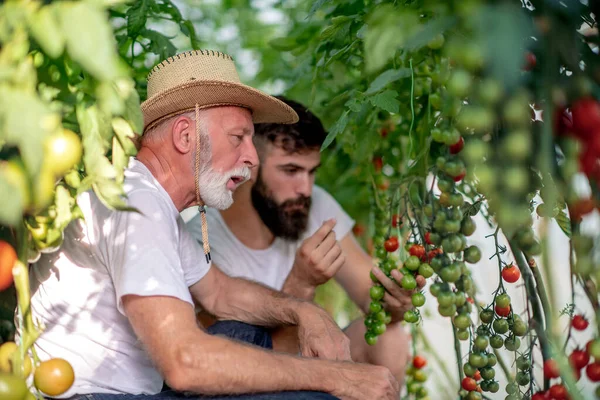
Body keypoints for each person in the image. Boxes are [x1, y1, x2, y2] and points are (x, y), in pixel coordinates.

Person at [27, 51, 400, 400]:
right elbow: (185, 362)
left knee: (244, 333)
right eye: (238, 138)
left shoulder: (152, 202)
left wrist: (306, 312)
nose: (251, 159)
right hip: (94, 395)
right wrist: (335, 377)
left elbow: (220, 293)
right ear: (186, 136)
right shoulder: (136, 203)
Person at [186, 96, 426, 386]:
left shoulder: (313, 206)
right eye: (290, 170)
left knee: (388, 336)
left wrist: (394, 302)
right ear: (249, 165)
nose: (306, 189)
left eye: (312, 171)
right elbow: (241, 370)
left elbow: (370, 297)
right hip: (252, 382)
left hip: (312, 369)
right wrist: (302, 283)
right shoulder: (202, 242)